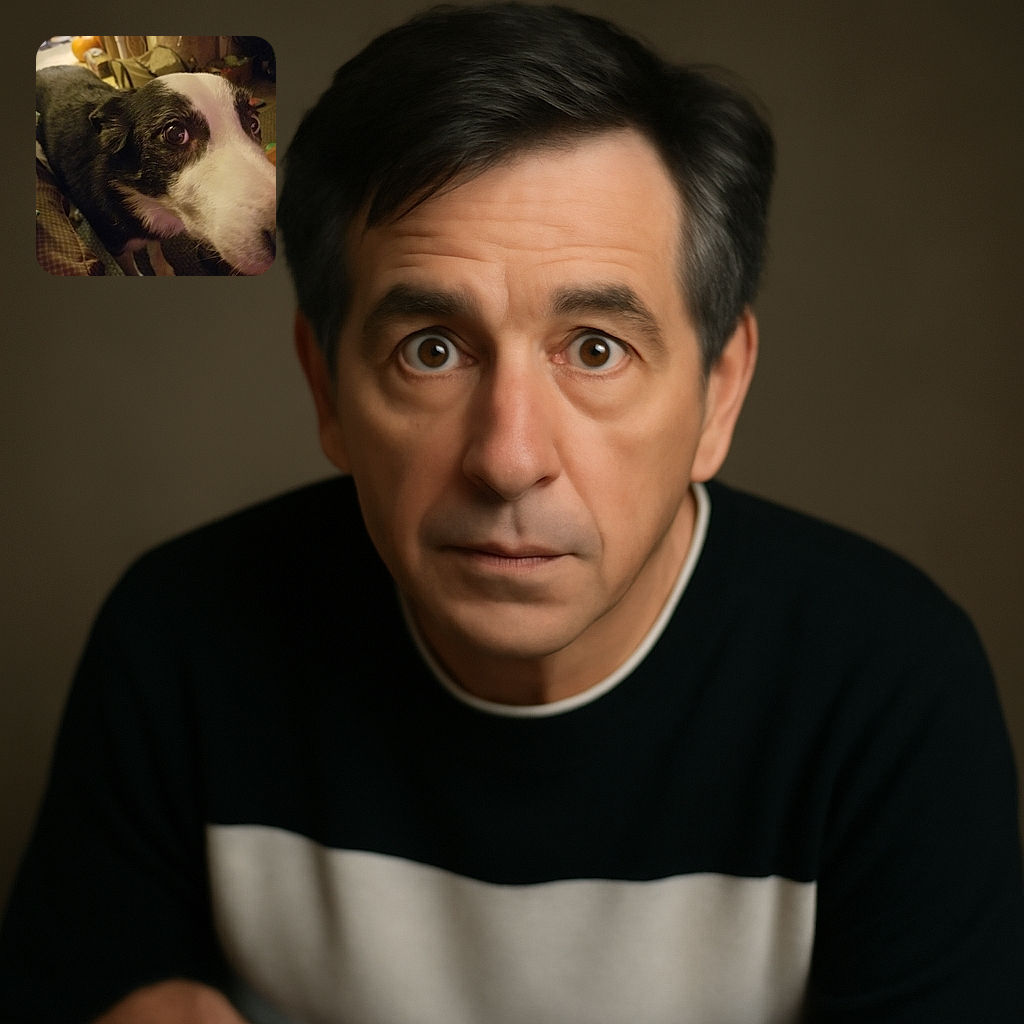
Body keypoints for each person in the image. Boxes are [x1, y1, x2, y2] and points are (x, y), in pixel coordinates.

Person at [2, 3, 1022, 1021]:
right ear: (326, 392)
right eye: (432, 350)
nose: (508, 458)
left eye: (593, 348)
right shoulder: (181, 642)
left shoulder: (886, 687)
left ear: (719, 390)